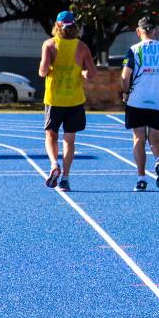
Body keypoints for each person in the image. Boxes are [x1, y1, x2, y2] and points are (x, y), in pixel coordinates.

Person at [120, 17, 159, 191]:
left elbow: (125, 76)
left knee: (139, 138)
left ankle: (141, 179)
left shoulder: (133, 50)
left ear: (138, 32)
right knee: (155, 138)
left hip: (137, 100)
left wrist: (125, 92)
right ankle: (158, 159)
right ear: (156, 31)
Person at [38, 10, 96, 192]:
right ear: (74, 27)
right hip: (74, 100)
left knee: (50, 135)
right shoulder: (82, 47)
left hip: (54, 99)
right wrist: (82, 72)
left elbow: (42, 71)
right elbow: (92, 73)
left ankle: (54, 163)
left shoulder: (49, 44)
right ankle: (65, 178)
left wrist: (50, 67)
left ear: (57, 25)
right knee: (69, 140)